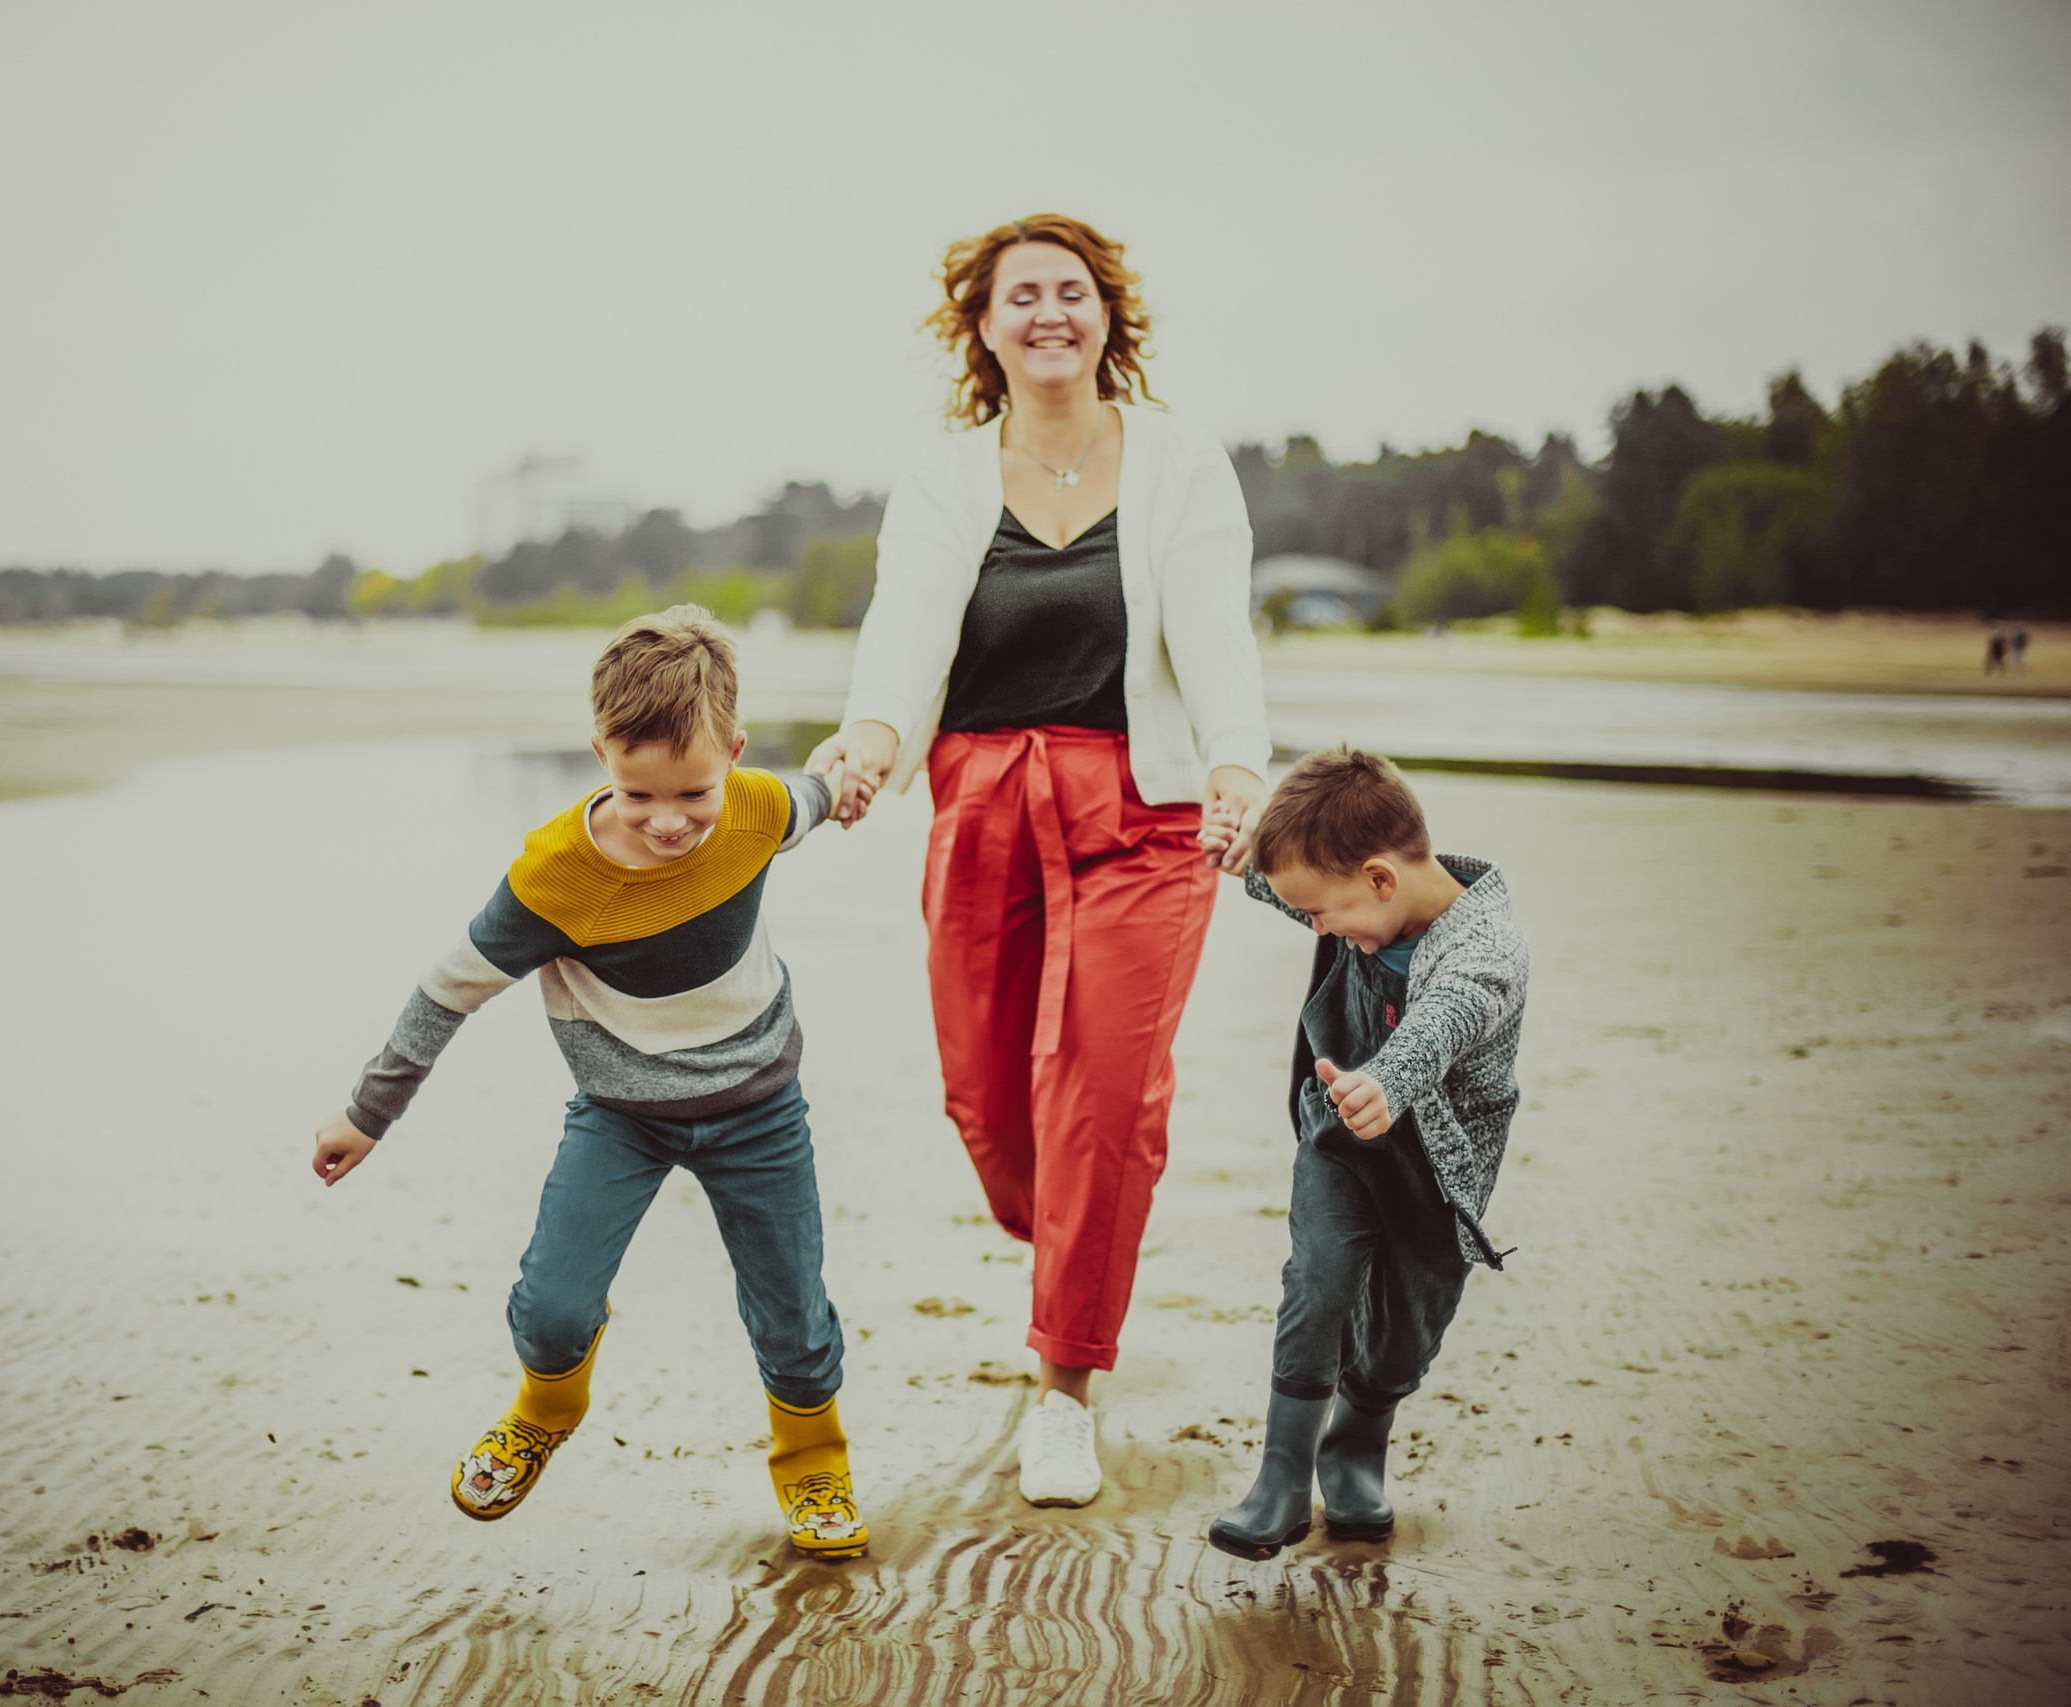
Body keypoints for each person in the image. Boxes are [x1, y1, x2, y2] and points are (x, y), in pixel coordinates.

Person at [806, 214, 1270, 1508]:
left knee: (1103, 1095)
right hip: (982, 800)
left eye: (1074, 291)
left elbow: (1216, 627)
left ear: (1109, 315)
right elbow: (903, 628)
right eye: (1025, 295)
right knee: (992, 1107)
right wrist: (867, 742)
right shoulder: (945, 476)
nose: (1051, 311)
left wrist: (1238, 760)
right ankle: (1070, 1229)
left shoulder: (1181, 463)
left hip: (1143, 810)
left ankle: (1065, 1382)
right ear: (986, 327)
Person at [308, 607, 868, 1559]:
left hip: (759, 1109)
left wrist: (842, 780)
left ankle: (813, 1459)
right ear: (600, 750)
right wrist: (370, 1111)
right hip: (622, 1115)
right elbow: (447, 990)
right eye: (638, 791)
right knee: (553, 1309)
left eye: (694, 791)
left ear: (733, 754)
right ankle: (542, 1413)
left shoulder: (757, 808)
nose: (669, 822)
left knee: (793, 1314)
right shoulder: (552, 878)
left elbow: (814, 795)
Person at [1206, 749, 1530, 1560]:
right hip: (1340, 1137)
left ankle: (1354, 1444)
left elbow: (1446, 1017)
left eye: (1321, 916)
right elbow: (1300, 885)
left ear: (1382, 879)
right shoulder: (1361, 895)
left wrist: (1388, 1078)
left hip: (1436, 1172)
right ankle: (1280, 1477)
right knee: (1315, 1282)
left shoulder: (1484, 950)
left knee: (1401, 1335)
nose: (1317, 929)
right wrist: (1241, 853)